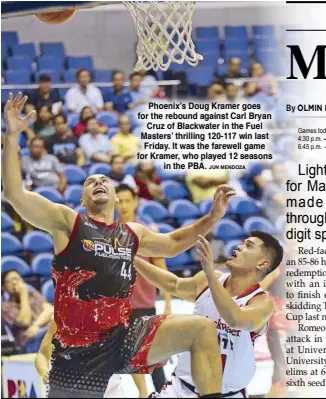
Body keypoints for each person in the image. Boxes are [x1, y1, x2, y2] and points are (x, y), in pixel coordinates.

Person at [4, 92, 235, 399]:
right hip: (78, 348)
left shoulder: (132, 232)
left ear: (116, 198)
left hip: (122, 336)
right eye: (90, 182)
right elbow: (15, 194)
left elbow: (174, 243)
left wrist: (212, 216)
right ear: (83, 199)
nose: (98, 182)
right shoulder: (67, 222)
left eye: (105, 182)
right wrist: (11, 135)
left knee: (202, 329)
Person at [134, 231, 282, 398]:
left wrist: (211, 277)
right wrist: (132, 258)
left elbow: (236, 319)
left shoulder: (261, 303)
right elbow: (173, 284)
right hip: (180, 390)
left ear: (262, 263)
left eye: (249, 246)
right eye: (242, 242)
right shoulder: (208, 279)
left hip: (228, 394)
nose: (240, 246)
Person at [116, 184, 171, 392]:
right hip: (116, 308)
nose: (123, 206)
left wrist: (167, 304)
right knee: (127, 356)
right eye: (119, 201)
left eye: (127, 200)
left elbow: (163, 272)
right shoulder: (107, 235)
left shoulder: (147, 234)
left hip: (143, 306)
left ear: (136, 202)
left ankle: (162, 394)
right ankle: (142, 393)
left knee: (152, 356)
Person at [35, 321, 148, 398]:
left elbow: (132, 358)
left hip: (108, 391)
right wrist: (44, 371)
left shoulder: (114, 321)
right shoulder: (59, 322)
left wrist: (143, 391)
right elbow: (42, 355)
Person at [1, 269, 54, 353]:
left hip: (43, 332)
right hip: (29, 343)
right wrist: (23, 295)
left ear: (22, 280)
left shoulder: (33, 294)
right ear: (4, 287)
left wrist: (36, 326)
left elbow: (49, 309)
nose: (14, 283)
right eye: (10, 281)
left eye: (16, 279)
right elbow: (25, 322)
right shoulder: (5, 307)